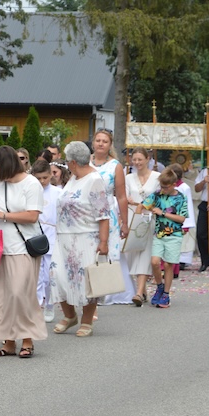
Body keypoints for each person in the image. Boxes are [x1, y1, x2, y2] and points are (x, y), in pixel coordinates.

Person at [0, 146, 46, 358]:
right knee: (3, 295)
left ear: (6, 165)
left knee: (19, 294)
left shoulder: (31, 183)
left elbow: (32, 216)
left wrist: (3, 215)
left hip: (23, 247)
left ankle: (27, 339)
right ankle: (8, 341)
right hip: (0, 247)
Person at [51, 142, 110, 337]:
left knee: (87, 281)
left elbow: (103, 214)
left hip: (86, 237)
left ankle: (86, 320)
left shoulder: (94, 180)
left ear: (74, 162)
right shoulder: (74, 178)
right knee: (57, 277)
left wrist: (103, 242)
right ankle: (70, 316)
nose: (67, 164)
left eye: (68, 161)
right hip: (64, 237)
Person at [90, 128, 131, 305]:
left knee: (106, 252)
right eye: (98, 140)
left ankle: (104, 291)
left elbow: (121, 196)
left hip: (108, 212)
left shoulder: (115, 166)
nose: (100, 144)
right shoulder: (84, 162)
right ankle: (87, 288)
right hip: (86, 212)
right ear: (93, 143)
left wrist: (125, 222)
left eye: (104, 141)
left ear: (110, 145)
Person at [141, 168, 188, 308]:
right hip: (159, 235)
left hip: (174, 235)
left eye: (165, 187)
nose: (163, 189)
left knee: (168, 264)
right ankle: (159, 287)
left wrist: (162, 213)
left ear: (174, 184)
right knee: (154, 262)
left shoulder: (181, 197)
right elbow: (144, 205)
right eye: (161, 186)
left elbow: (181, 219)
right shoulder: (157, 194)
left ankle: (166, 294)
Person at [124, 147, 161, 306]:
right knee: (132, 254)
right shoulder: (128, 177)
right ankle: (143, 289)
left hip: (149, 218)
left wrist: (143, 204)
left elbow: (160, 198)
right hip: (133, 217)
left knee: (145, 254)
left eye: (140, 159)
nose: (137, 162)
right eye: (134, 159)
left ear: (147, 159)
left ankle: (138, 293)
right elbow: (125, 197)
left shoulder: (157, 177)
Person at [31, 159, 58, 323]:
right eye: (39, 178)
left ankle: (49, 303)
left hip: (52, 238)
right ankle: (35, 306)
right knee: (36, 277)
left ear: (50, 175)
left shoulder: (57, 192)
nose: (42, 181)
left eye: (45, 178)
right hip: (34, 236)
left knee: (48, 277)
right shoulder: (30, 191)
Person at [169, 164, 196, 272]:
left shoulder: (184, 188)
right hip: (170, 217)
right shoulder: (168, 186)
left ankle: (181, 263)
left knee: (182, 243)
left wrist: (186, 224)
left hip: (181, 218)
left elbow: (188, 205)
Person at [194, 164, 209, 272]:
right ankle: (205, 261)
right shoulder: (205, 171)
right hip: (205, 204)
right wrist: (204, 181)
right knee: (201, 234)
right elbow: (197, 189)